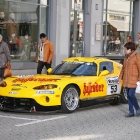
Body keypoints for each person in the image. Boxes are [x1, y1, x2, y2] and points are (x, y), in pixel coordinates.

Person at [119, 42, 140, 117]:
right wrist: (120, 77)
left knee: (131, 94)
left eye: (126, 49)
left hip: (134, 79)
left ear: (130, 49)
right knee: (128, 95)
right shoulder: (126, 57)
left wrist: (139, 79)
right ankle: (131, 112)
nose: (125, 50)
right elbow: (123, 68)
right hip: (126, 79)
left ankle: (138, 108)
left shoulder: (137, 56)